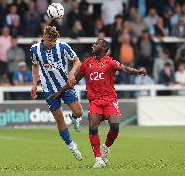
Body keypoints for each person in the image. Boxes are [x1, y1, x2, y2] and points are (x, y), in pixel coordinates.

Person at [50, 39, 146, 168]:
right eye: (94, 43)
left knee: (115, 126)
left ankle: (105, 147)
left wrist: (137, 72)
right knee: (93, 127)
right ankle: (98, 158)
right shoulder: (87, 63)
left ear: (104, 48)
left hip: (110, 99)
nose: (93, 45)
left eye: (97, 44)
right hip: (95, 101)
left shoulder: (110, 62)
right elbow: (75, 81)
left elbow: (125, 69)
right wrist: (60, 92)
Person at [30, 26, 83, 161]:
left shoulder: (63, 46)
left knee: (79, 112)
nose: (51, 43)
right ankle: (72, 145)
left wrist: (72, 72)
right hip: (49, 89)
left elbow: (77, 61)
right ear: (44, 37)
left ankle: (74, 118)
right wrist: (34, 84)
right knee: (59, 118)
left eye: (54, 41)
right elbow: (35, 65)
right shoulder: (35, 49)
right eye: (49, 40)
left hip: (65, 86)